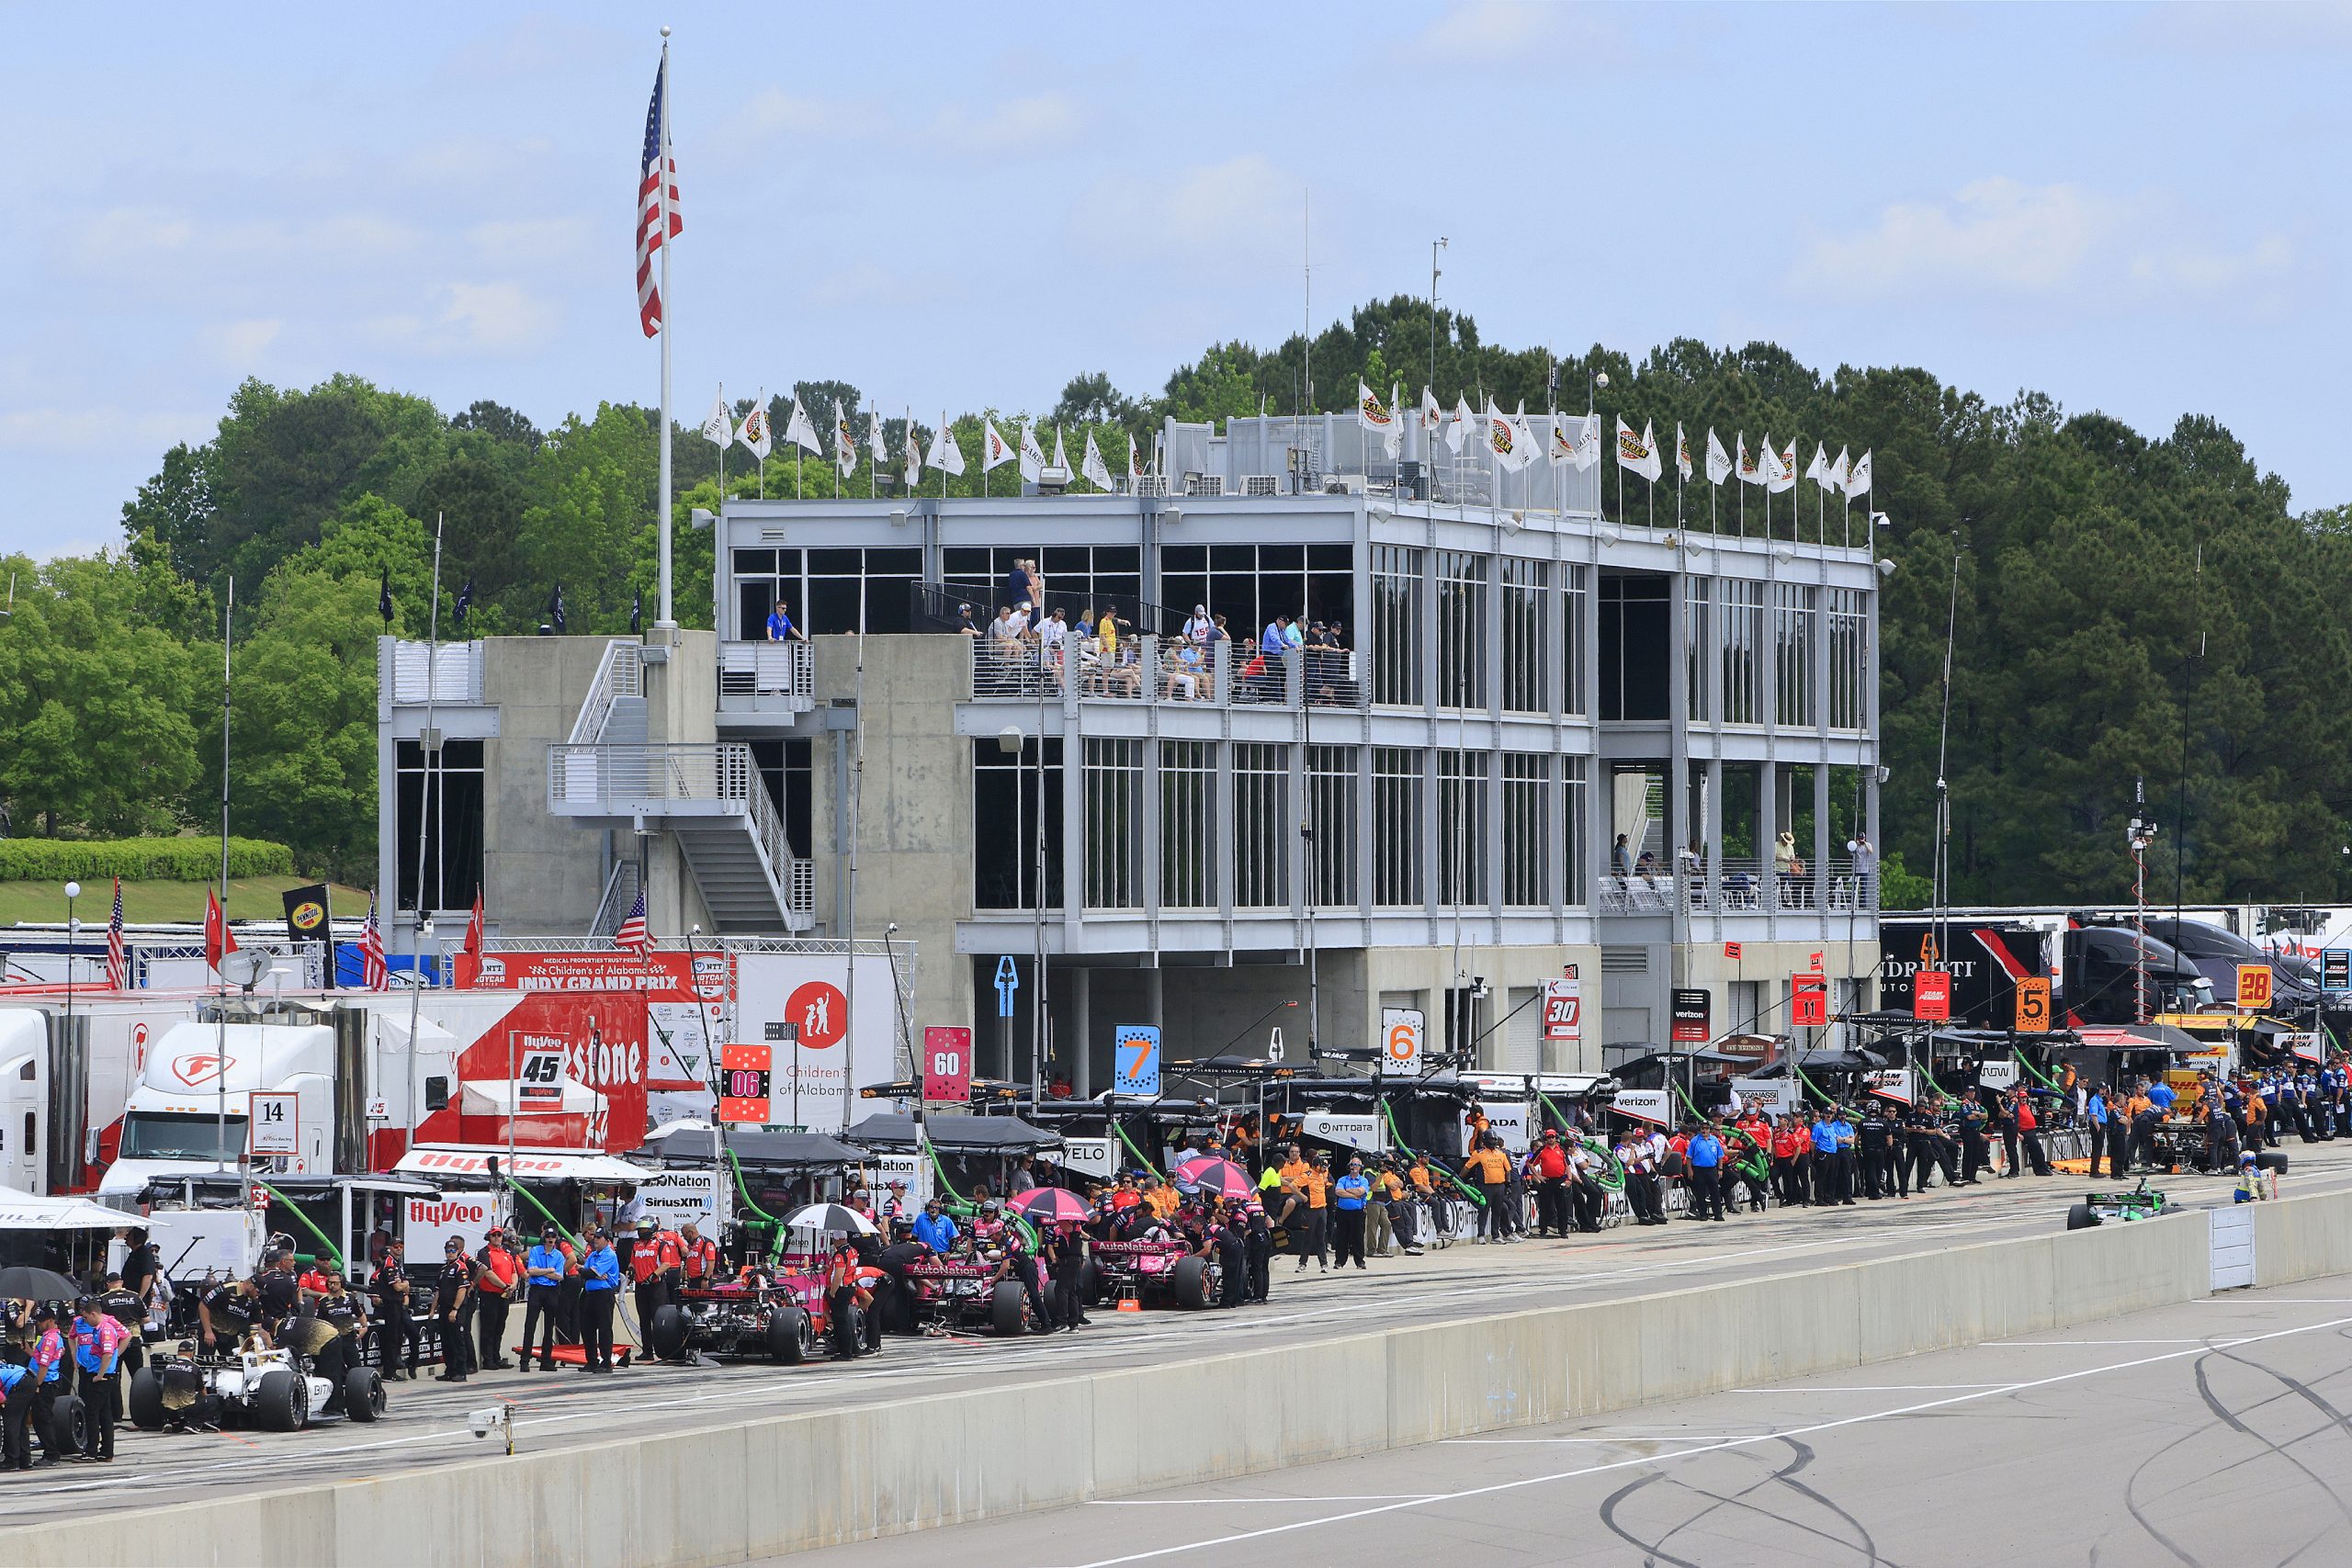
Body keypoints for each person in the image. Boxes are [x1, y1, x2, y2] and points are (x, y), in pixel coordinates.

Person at [70, 1296, 128, 1461]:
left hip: (101, 1376)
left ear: (93, 1314)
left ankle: (91, 1451)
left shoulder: (106, 1330)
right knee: (104, 1413)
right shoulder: (97, 1329)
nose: (85, 1321)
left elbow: (108, 1354)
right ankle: (106, 1451)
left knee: (92, 1412)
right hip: (94, 1371)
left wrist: (100, 1375)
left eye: (87, 1317)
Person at [522, 1225, 568, 1371]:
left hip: (551, 1290)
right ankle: (525, 1361)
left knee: (549, 1327)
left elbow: (559, 1276)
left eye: (553, 1237)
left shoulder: (559, 1255)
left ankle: (546, 1361)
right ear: (544, 1238)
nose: (550, 1240)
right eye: (548, 1237)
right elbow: (531, 1271)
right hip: (537, 1290)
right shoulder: (535, 1250)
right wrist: (549, 1270)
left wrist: (541, 1272)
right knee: (530, 1325)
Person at [370, 1240, 416, 1380]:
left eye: (402, 1246)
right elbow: (398, 1287)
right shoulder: (388, 1264)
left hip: (399, 1305)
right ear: (390, 1248)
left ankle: (408, 1364)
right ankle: (389, 1372)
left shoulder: (398, 1264)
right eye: (396, 1247)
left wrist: (404, 1285)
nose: (399, 1249)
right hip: (388, 1306)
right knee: (392, 1339)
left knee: (407, 1336)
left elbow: (405, 1289)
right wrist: (405, 1284)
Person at [474, 1228, 518, 1371]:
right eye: (494, 1235)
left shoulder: (506, 1253)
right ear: (489, 1237)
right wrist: (504, 1285)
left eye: (499, 1235)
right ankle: (488, 1359)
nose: (497, 1237)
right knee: (489, 1327)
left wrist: (512, 1285)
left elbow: (514, 1272)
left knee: (500, 1327)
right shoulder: (484, 1252)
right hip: (490, 1294)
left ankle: (496, 1356)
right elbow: (488, 1273)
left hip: (504, 1295)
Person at [578, 1228, 620, 1372]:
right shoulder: (593, 1255)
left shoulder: (609, 1254)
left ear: (607, 1240)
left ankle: (606, 1362)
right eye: (595, 1237)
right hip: (590, 1294)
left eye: (599, 1237)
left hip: (604, 1294)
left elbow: (588, 1272)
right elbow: (585, 1272)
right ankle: (592, 1361)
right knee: (587, 1328)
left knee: (604, 1329)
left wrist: (590, 1273)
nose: (595, 1239)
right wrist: (591, 1273)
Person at [434, 1236, 475, 1382]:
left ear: (458, 1251)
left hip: (456, 1310)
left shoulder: (461, 1267)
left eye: (453, 1250)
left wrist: (455, 1309)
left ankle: (461, 1371)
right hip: (443, 1309)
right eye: (448, 1251)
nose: (450, 1253)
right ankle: (450, 1370)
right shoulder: (444, 1268)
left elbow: (462, 1290)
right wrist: (433, 1310)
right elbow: (438, 1291)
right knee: (446, 1341)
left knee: (458, 1340)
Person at [1330, 1157, 1372, 1269]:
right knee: (1341, 1237)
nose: (1354, 1167)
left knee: (1358, 1237)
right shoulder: (1342, 1179)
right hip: (1342, 1212)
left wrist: (1347, 1190)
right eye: (1353, 1164)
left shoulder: (1363, 1180)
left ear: (1360, 1167)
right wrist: (1354, 1195)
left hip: (1357, 1213)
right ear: (1349, 1166)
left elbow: (1361, 1191)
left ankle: (1360, 1262)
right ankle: (1339, 1261)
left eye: (1357, 1165)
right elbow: (1338, 1191)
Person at [1685, 1122, 1726, 1221]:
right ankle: (1703, 1214)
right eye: (1702, 1128)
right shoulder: (1695, 1141)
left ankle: (1718, 1214)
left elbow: (1720, 1156)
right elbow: (1689, 1157)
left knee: (1715, 1192)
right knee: (1700, 1193)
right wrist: (1690, 1170)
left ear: (1710, 1130)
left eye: (1707, 1128)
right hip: (1699, 1170)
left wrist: (1720, 1169)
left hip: (1712, 1169)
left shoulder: (1715, 1140)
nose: (1704, 1130)